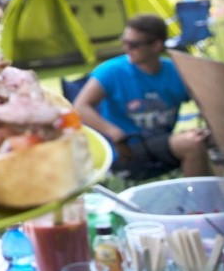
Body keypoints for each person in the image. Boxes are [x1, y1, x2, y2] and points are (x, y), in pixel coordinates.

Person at [74, 13, 210, 180]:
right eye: (124, 42)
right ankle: (201, 205)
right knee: (192, 145)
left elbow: (207, 103)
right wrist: (113, 131)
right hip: (127, 150)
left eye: (133, 45)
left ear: (156, 45)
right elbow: (80, 107)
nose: (126, 49)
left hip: (163, 143)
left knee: (210, 140)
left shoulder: (176, 72)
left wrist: (205, 128)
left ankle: (216, 200)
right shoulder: (112, 71)